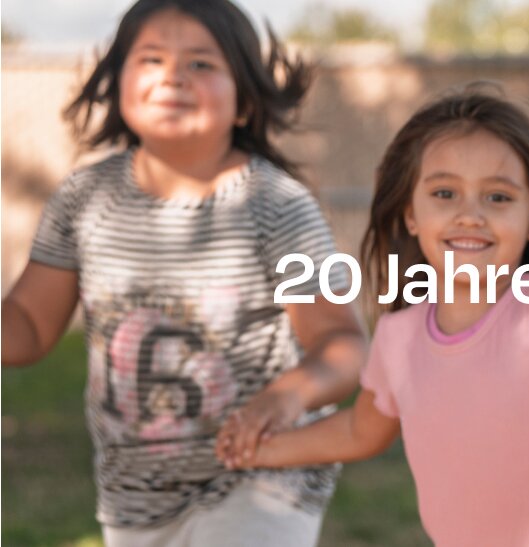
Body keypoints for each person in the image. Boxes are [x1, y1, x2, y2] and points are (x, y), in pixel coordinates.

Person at [220, 88, 529, 546]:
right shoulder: (398, 337)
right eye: (444, 194)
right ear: (411, 214)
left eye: (498, 197)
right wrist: (256, 450)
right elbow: (359, 432)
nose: (470, 215)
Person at [1, 1, 366, 545]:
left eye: (201, 63)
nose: (173, 75)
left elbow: (343, 343)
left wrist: (287, 395)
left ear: (245, 101)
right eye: (151, 59)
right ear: (117, 81)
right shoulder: (84, 200)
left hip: (263, 478)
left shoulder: (275, 205)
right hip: (134, 496)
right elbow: (29, 325)